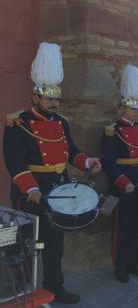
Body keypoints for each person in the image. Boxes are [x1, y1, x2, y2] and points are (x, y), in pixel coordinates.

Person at [3, 42, 102, 304]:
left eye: (57, 99)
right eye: (50, 99)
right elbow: (14, 162)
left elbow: (72, 152)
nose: (55, 103)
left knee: (54, 245)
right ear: (35, 97)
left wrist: (88, 161)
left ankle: (54, 287)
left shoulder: (61, 123)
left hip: (59, 188)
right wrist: (32, 190)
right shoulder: (18, 123)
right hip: (31, 192)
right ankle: (22, 294)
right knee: (25, 247)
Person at [101, 64, 138, 283]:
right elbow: (109, 163)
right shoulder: (113, 131)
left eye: (137, 108)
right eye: (132, 109)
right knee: (122, 227)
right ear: (122, 109)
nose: (136, 112)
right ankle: (119, 266)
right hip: (123, 186)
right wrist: (123, 182)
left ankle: (134, 262)